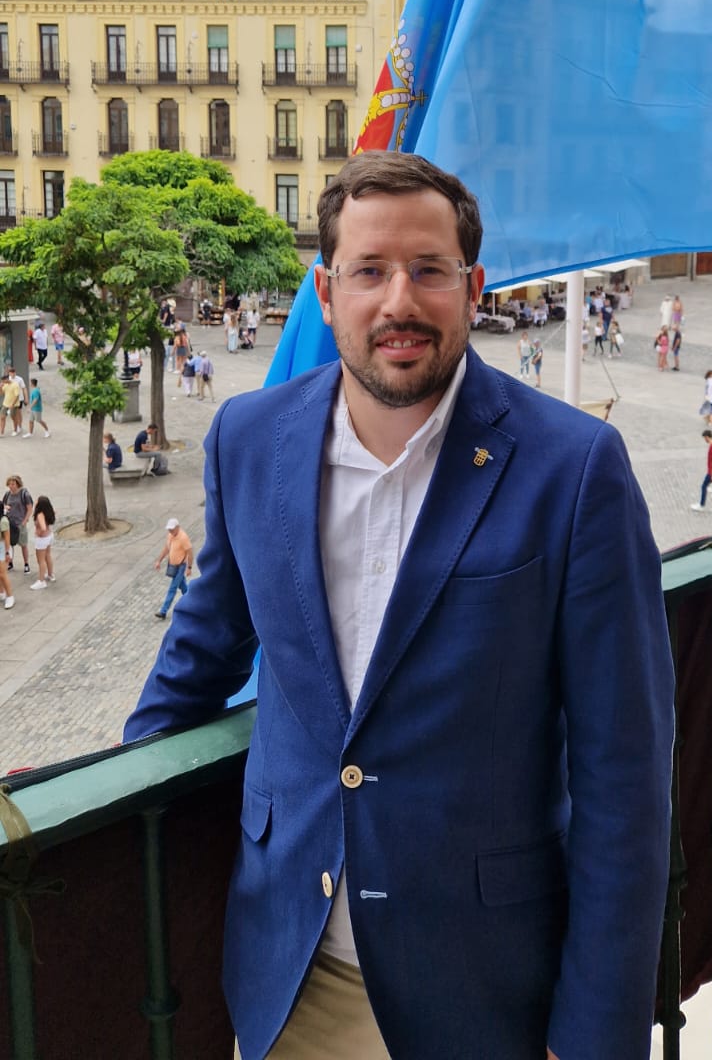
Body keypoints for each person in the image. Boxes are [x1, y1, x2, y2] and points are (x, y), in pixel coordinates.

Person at [124, 150, 674, 1060]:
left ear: (474, 287)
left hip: (488, 987)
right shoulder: (249, 440)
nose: (399, 301)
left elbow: (627, 779)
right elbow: (201, 653)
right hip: (288, 974)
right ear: (325, 290)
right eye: (369, 271)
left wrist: (594, 1036)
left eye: (429, 270)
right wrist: (111, 805)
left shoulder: (573, 470)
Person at [154, 517, 193, 620]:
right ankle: (193, 601)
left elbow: (190, 552)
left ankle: (163, 611)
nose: (170, 531)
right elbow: (166, 549)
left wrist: (189, 567)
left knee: (172, 588)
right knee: (184, 587)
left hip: (181, 566)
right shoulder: (170, 536)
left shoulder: (183, 537)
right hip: (173, 566)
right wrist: (159, 560)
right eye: (169, 529)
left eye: (172, 529)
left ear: (177, 527)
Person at [2, 474, 33, 573]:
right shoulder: (7, 494)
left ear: (18, 484)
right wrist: (5, 507)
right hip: (10, 523)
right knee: (10, 544)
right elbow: (3, 505)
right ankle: (10, 562)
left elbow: (29, 509)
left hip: (20, 523)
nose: (11, 486)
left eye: (13, 484)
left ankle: (26, 564)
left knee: (23, 544)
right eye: (10, 484)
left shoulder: (24, 494)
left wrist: (24, 521)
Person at [691, 429, 712, 513]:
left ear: (706, 437)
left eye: (704, 438)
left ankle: (701, 505)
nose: (705, 440)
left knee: (704, 486)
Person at [30, 494, 56, 589]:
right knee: (48, 555)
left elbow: (43, 527)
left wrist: (39, 532)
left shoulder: (40, 514)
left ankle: (41, 581)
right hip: (49, 536)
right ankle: (50, 574)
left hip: (42, 539)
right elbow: (54, 513)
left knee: (41, 560)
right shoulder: (49, 511)